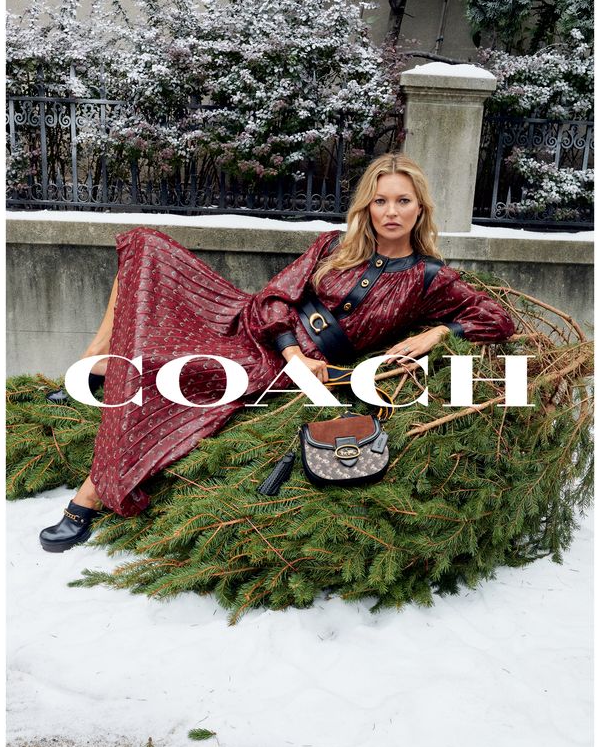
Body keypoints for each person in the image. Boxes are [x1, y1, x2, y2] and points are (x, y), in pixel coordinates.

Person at [39, 153, 515, 552]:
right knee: (145, 248)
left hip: (281, 364)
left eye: (402, 201)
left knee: (159, 371)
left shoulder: (431, 278)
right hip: (261, 329)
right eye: (380, 200)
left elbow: (497, 319)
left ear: (420, 208)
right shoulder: (334, 244)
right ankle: (91, 364)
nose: (391, 211)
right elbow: (274, 296)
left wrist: (437, 333)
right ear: (367, 207)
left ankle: (89, 497)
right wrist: (291, 351)